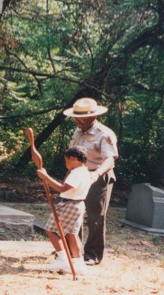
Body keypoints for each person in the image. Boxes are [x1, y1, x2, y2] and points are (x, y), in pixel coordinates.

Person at [63, 97, 119, 266]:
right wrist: (68, 177)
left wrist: (96, 175)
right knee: (72, 212)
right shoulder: (77, 132)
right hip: (78, 176)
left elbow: (110, 159)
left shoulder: (104, 133)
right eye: (75, 117)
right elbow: (73, 156)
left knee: (95, 216)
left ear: (92, 117)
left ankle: (92, 254)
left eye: (80, 118)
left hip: (98, 176)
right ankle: (74, 251)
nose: (76, 120)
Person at [37, 146, 91, 276]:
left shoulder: (77, 173)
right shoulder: (84, 171)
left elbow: (63, 189)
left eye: (66, 160)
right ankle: (79, 264)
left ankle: (63, 259)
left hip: (70, 205)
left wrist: (46, 177)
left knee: (51, 229)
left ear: (73, 158)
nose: (66, 164)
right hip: (77, 204)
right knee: (71, 234)